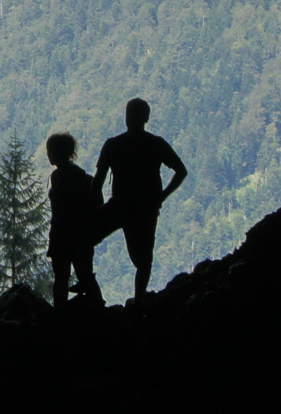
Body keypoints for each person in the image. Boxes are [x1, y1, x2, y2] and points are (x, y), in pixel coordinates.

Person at [92, 98, 188, 305]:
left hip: (119, 205)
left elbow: (98, 182)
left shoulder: (114, 144)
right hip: (145, 208)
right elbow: (181, 172)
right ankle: (139, 304)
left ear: (127, 117)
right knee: (143, 262)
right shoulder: (155, 144)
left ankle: (89, 286)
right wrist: (161, 196)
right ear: (146, 118)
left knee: (85, 238)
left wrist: (94, 209)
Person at [45, 132, 103, 307]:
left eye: (50, 151)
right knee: (85, 276)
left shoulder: (57, 177)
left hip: (62, 235)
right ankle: (98, 310)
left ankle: (60, 317)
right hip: (81, 236)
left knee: (61, 280)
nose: (48, 154)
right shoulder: (82, 178)